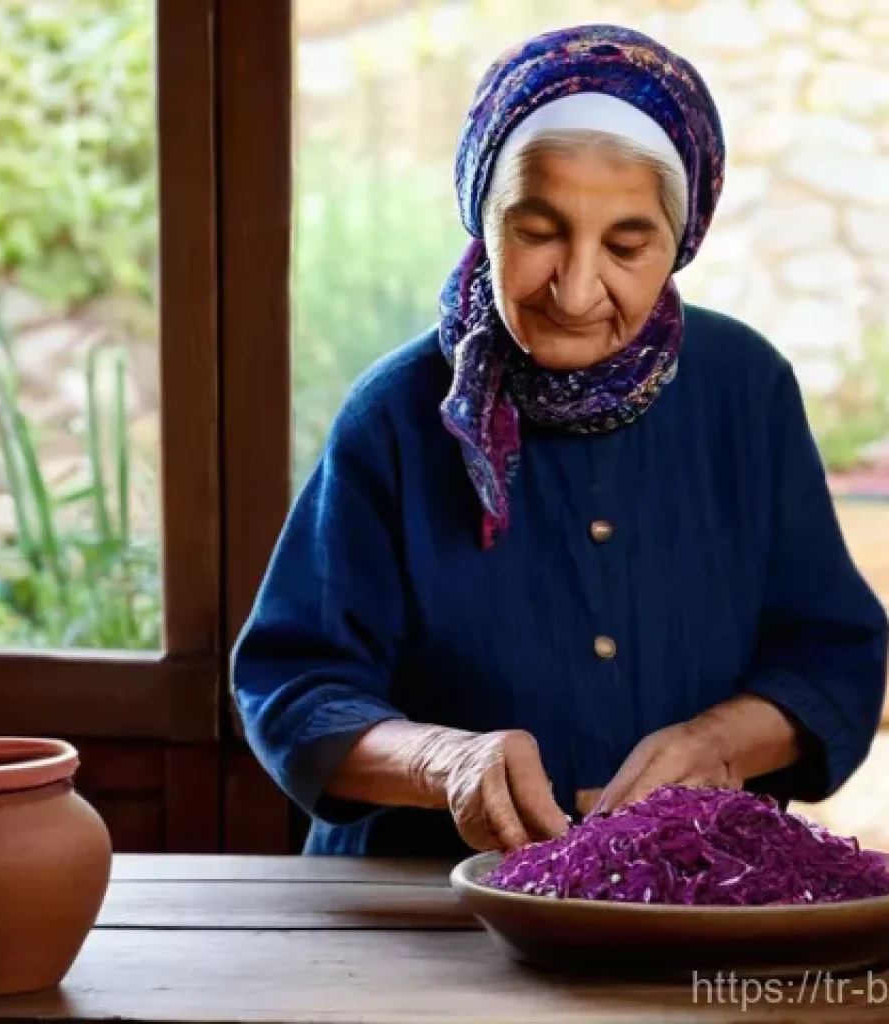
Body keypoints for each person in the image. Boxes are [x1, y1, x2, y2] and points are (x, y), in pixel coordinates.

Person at [230, 23, 889, 858]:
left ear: (679, 242)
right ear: (484, 221)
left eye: (626, 244)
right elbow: (293, 688)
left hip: (690, 891)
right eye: (538, 231)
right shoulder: (396, 415)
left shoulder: (746, 391)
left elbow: (832, 656)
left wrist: (719, 743)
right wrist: (443, 763)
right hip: (428, 908)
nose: (577, 291)